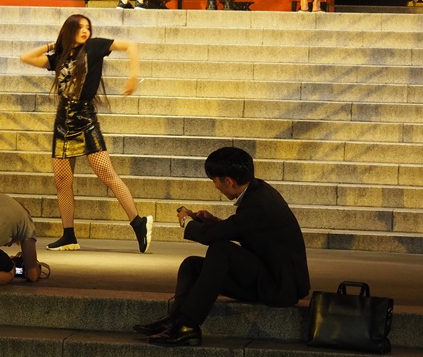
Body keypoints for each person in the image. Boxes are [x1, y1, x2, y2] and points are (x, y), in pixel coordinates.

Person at [133, 146, 310, 346]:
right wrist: (214, 221)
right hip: (268, 276)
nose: (215, 186)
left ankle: (188, 326)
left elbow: (214, 237)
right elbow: (240, 227)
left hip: (279, 288)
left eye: (214, 180)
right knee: (192, 265)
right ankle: (175, 318)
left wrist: (186, 222)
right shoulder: (257, 192)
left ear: (229, 181)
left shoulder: (259, 203)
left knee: (221, 250)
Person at [20, 14, 152, 253]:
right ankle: (68, 235)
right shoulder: (60, 57)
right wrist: (55, 44)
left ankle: (138, 222)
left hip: (85, 119)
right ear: (69, 30)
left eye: (87, 27)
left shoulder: (95, 46)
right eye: (79, 27)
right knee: (62, 181)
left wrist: (133, 75)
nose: (85, 31)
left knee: (106, 174)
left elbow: (130, 45)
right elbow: (25, 57)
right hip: (63, 122)